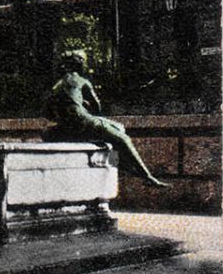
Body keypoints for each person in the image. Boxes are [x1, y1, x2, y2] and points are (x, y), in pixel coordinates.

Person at [44, 50, 167, 186]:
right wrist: (85, 106)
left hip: (66, 127)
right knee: (122, 138)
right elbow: (97, 107)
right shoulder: (82, 81)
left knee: (112, 133)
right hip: (83, 122)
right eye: (84, 62)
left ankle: (129, 170)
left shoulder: (57, 86)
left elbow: (47, 112)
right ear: (80, 64)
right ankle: (147, 176)